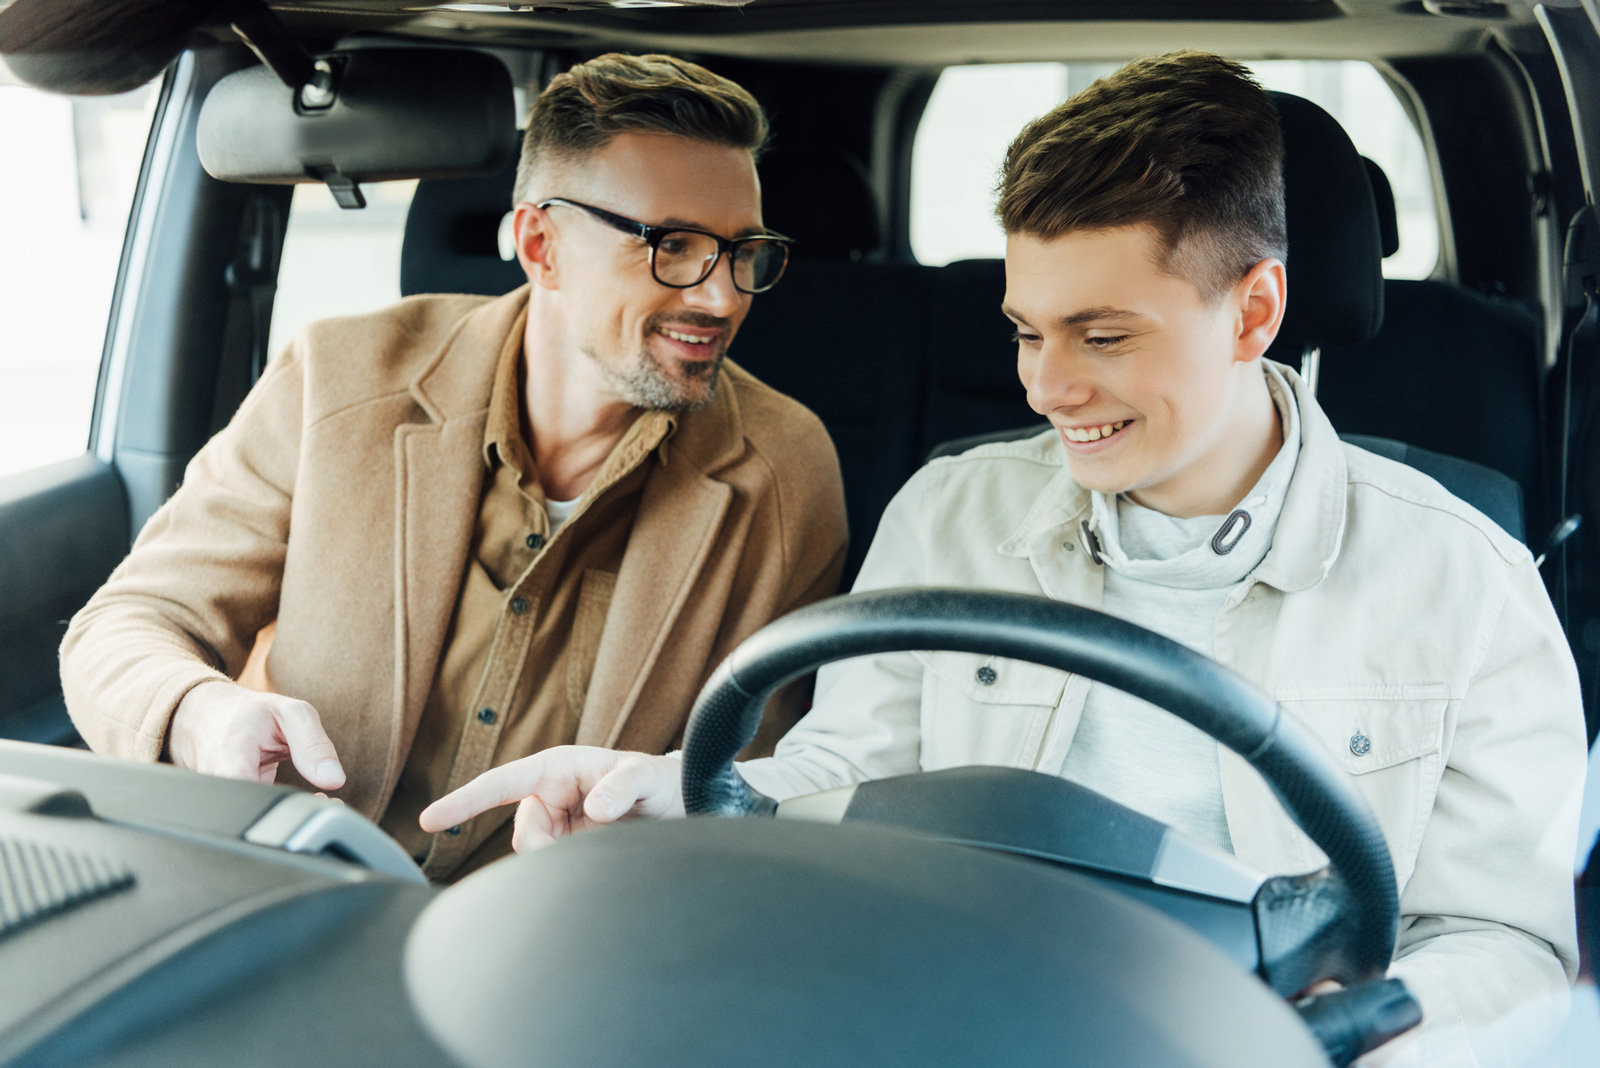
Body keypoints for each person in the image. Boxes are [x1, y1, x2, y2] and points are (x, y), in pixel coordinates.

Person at [421, 52, 1588, 1063]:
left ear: (1253, 310)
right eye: (1026, 330)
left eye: (1103, 335)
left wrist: (1363, 1030)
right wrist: (673, 796)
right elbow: (844, 778)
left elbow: (1509, 946)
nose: (1046, 387)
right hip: (947, 1022)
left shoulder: (1465, 583)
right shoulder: (952, 512)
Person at [58, 52, 848, 882]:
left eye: (742, 252)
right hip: (301, 890)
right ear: (541, 245)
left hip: (573, 933)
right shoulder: (338, 379)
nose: (722, 297)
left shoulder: (784, 473)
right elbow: (125, 626)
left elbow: (751, 790)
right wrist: (200, 713)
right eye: (674, 246)